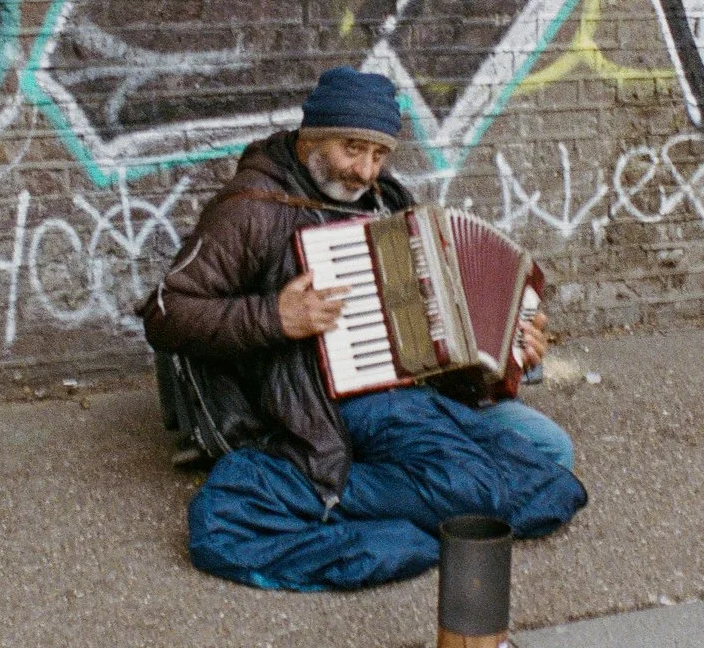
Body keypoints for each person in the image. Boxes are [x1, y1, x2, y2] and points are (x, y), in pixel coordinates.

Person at [142, 67, 586, 591]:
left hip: (410, 395)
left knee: (551, 452)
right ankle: (316, 487)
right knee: (492, 483)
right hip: (321, 409)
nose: (364, 171)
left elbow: (439, 343)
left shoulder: (386, 203)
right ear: (312, 137)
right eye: (353, 150)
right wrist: (275, 317)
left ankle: (359, 500)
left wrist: (512, 353)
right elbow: (166, 313)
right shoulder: (252, 210)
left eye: (378, 156)